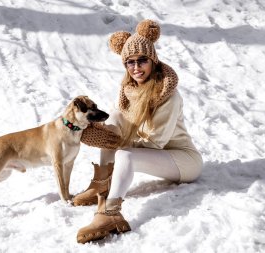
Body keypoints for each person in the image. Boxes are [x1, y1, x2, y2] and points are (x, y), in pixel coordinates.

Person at [74, 19, 203, 244]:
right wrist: (100, 133)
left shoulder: (168, 95)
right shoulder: (130, 90)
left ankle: (110, 213)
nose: (136, 67)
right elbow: (118, 122)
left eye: (142, 60)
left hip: (183, 159)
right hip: (158, 152)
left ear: (153, 60)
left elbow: (155, 143)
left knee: (125, 154)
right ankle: (102, 184)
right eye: (130, 62)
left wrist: (117, 143)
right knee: (114, 117)